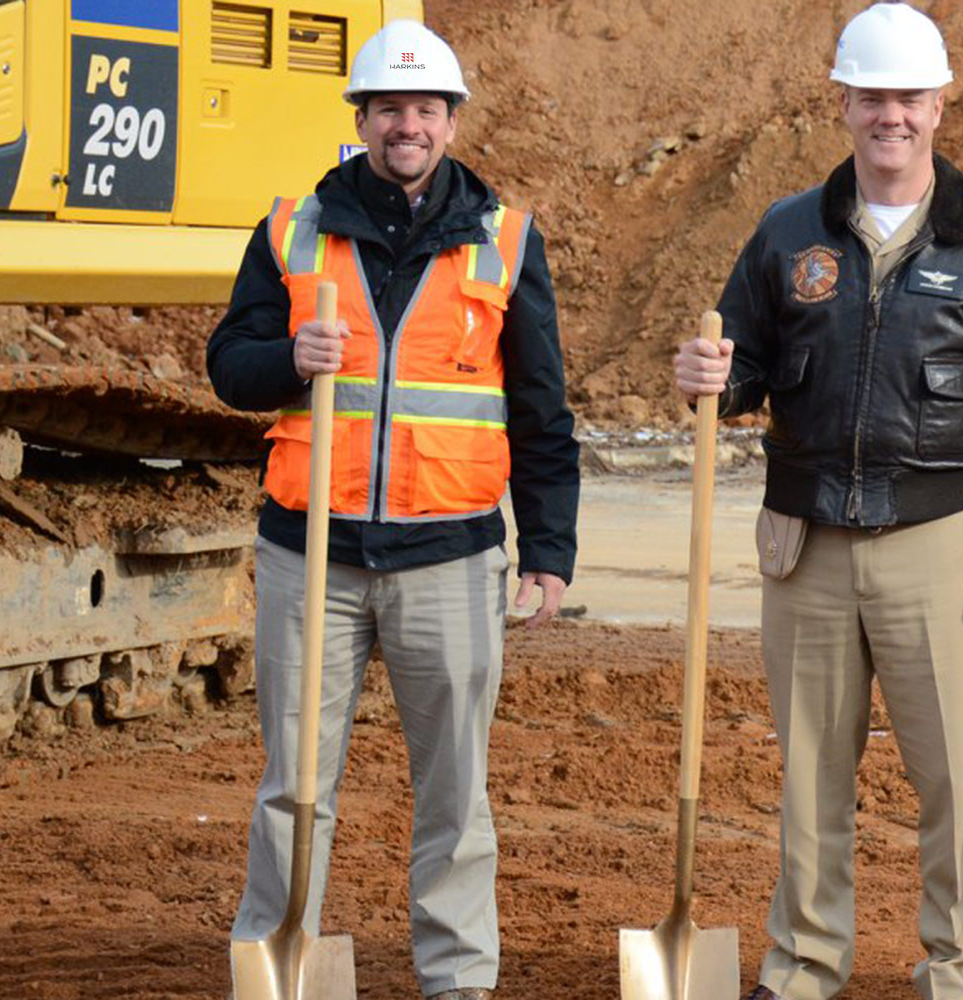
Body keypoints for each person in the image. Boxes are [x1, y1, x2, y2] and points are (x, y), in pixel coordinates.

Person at [668, 3, 963, 997]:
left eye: (907, 97)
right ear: (840, 102)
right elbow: (745, 367)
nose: (890, 115)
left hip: (937, 540)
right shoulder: (786, 231)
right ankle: (803, 967)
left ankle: (955, 972)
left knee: (949, 782)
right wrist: (708, 373)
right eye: (871, 96)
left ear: (940, 104)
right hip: (804, 538)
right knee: (811, 778)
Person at [205, 18, 577, 1000]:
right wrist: (289, 359)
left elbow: (540, 407)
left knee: (454, 789)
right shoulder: (292, 229)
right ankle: (277, 958)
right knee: (294, 784)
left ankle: (457, 979)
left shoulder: (504, 241)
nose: (405, 124)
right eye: (388, 108)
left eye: (425, 108)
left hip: (450, 561)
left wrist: (547, 548)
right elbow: (227, 368)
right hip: (310, 556)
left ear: (449, 123)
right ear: (361, 119)